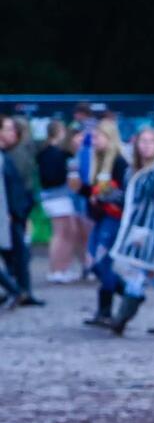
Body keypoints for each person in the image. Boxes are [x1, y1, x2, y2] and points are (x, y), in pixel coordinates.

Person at [102, 128, 154, 335]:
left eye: (151, 141)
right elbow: (132, 200)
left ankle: (121, 319)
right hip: (136, 228)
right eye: (143, 141)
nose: (146, 145)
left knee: (138, 271)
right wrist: (110, 196)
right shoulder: (133, 171)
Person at [80, 120, 129, 328]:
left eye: (98, 137)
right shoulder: (97, 161)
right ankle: (127, 294)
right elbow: (93, 192)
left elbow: (125, 196)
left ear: (109, 139)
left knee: (102, 262)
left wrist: (102, 194)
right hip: (101, 218)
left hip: (114, 218)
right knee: (94, 263)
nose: (94, 141)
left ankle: (109, 307)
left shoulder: (120, 163)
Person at [0, 116, 41, 308]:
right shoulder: (9, 154)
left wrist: (18, 212)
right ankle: (18, 290)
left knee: (18, 254)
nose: (9, 133)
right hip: (12, 212)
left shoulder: (16, 155)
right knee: (14, 255)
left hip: (13, 212)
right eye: (6, 129)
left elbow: (20, 188)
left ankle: (19, 291)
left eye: (11, 129)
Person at [36, 121, 80, 284]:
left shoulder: (46, 152)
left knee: (67, 233)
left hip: (55, 197)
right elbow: (54, 176)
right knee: (60, 234)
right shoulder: (55, 154)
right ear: (58, 132)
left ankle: (62, 268)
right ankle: (56, 270)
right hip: (57, 196)